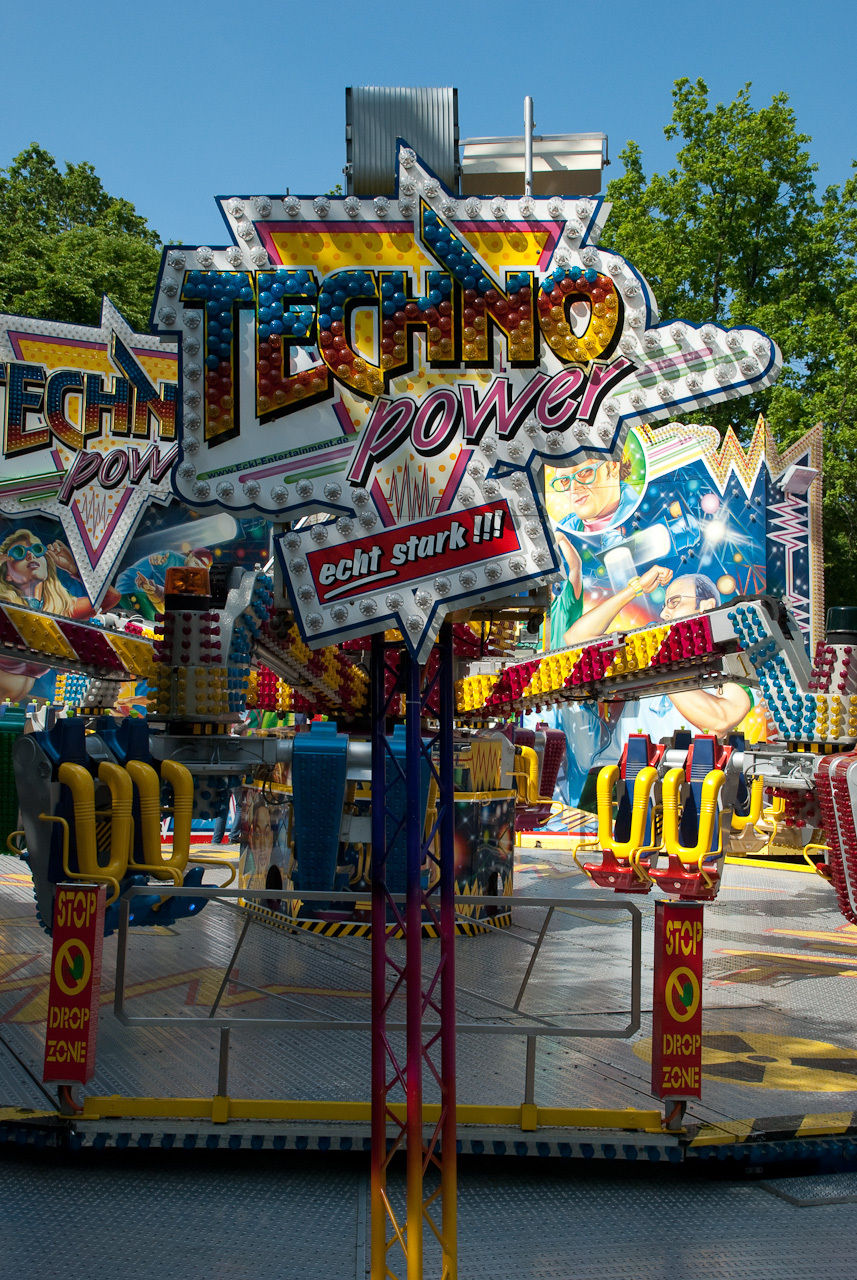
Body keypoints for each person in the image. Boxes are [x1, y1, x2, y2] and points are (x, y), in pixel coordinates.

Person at [548, 457, 672, 645]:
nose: (573, 488)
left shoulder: (643, 514)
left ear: (612, 467)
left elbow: (575, 567)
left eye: (584, 473)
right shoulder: (568, 525)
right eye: (565, 480)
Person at [0, 529, 119, 700]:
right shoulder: (4, 607)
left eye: (37, 550)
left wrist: (75, 569)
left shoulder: (59, 610)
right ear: (7, 574)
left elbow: (110, 598)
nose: (30, 556)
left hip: (17, 703)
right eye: (19, 553)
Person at [658, 574, 751, 733]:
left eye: (674, 602)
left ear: (707, 605)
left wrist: (659, 666)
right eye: (664, 606)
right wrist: (633, 589)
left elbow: (721, 721)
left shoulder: (732, 659)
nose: (663, 614)